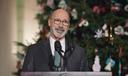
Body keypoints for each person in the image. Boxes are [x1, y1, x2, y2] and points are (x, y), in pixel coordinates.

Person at [22, 8, 89, 71]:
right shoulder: (33, 51)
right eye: (57, 20)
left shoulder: (79, 53)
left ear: (68, 26)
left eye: (65, 22)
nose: (60, 25)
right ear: (49, 22)